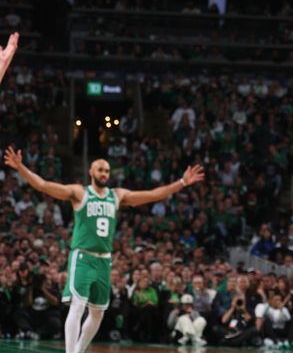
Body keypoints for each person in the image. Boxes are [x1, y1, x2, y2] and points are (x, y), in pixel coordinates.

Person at [3, 147, 204, 353]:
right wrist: (21, 167)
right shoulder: (79, 192)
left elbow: (152, 195)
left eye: (107, 171)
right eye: (100, 170)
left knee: (97, 313)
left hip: (104, 260)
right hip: (82, 256)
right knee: (77, 306)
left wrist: (181, 182)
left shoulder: (117, 195)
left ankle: (79, 350)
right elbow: (44, 185)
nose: (104, 174)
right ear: (91, 171)